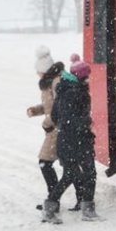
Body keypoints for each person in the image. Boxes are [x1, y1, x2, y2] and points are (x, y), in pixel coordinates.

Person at [42, 54, 100, 224]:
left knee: (74, 175)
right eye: (86, 77)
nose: (88, 80)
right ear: (80, 77)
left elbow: (55, 115)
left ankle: (53, 208)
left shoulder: (64, 90)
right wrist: (85, 121)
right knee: (84, 174)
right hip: (76, 140)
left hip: (69, 140)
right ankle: (85, 210)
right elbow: (69, 118)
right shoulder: (75, 93)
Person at [26, 46, 82, 212]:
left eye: (38, 71)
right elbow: (50, 106)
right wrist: (36, 110)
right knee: (70, 166)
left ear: (44, 69)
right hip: (58, 128)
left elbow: (61, 108)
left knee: (45, 163)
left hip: (60, 130)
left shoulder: (56, 82)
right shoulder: (49, 82)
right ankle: (82, 199)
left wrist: (48, 122)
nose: (37, 74)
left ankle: (53, 199)